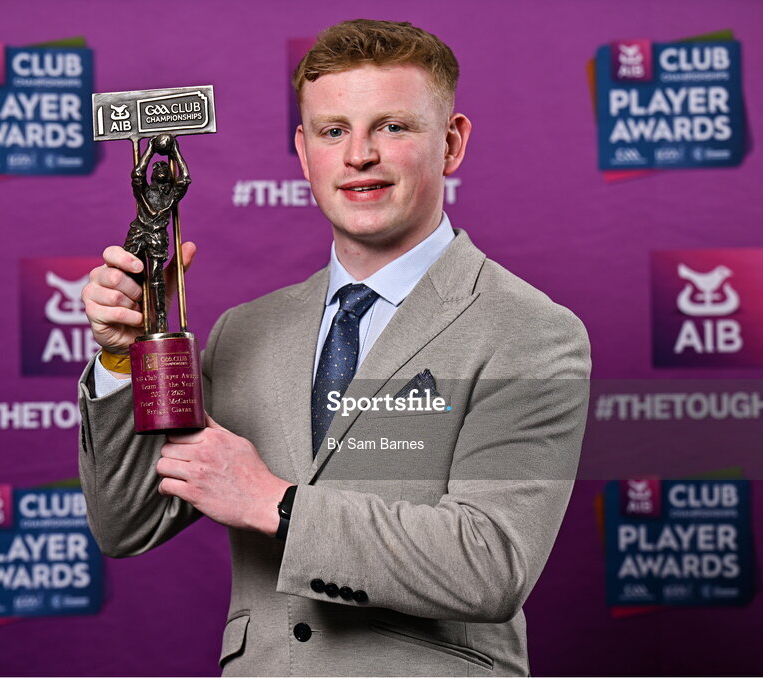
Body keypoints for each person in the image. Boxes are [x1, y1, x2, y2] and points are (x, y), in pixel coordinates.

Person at [79, 19, 590, 676]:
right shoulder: (246, 330)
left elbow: (489, 564)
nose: (359, 156)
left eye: (393, 127)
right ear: (304, 151)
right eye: (334, 131)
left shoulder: (529, 331)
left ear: (452, 143)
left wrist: (274, 500)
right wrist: (126, 354)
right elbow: (126, 521)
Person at [122, 133, 190, 334]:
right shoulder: (143, 190)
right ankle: (131, 310)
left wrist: (175, 151)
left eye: (164, 168)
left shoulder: (171, 194)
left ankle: (160, 316)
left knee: (156, 276)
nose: (161, 170)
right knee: (126, 271)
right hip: (138, 232)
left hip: (157, 236)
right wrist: (150, 148)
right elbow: (137, 174)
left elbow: (185, 178)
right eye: (156, 168)